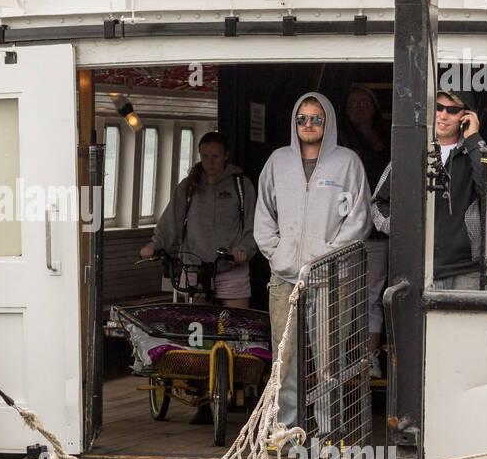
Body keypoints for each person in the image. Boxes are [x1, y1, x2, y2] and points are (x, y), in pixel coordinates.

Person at [254, 93, 370, 429]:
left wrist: (324, 257)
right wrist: (278, 254)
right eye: (302, 119)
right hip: (284, 277)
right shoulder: (277, 162)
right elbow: (264, 215)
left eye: (316, 119)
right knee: (284, 357)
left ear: (328, 122)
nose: (308, 125)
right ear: (294, 123)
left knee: (327, 358)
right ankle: (286, 429)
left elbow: (359, 218)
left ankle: (328, 430)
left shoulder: (347, 162)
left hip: (330, 278)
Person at [372, 89, 487, 290]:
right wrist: (402, 231)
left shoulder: (475, 150)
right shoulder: (411, 150)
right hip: (418, 265)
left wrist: (474, 139)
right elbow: (378, 203)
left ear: (466, 116)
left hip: (467, 269)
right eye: (438, 107)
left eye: (452, 110)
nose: (443, 115)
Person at [140, 130, 257, 309]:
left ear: (226, 156)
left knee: (237, 325)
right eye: (205, 156)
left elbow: (253, 225)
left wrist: (244, 249)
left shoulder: (241, 186)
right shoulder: (188, 187)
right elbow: (171, 222)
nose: (210, 162)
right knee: (197, 324)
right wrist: (155, 245)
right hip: (194, 267)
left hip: (232, 267)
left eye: (216, 156)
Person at [339, 84, 391, 378]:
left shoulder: (388, 136)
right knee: (344, 297)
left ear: (374, 106)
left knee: (372, 296)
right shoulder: (339, 139)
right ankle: (342, 359)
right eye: (353, 102)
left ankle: (368, 358)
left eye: (364, 101)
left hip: (377, 230)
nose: (359, 106)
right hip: (345, 228)